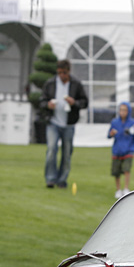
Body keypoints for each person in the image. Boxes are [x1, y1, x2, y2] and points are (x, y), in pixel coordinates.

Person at [40, 59, 89, 189]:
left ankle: (62, 180)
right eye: (60, 73)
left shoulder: (76, 84)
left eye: (65, 73)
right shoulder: (50, 84)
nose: (62, 75)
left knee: (67, 153)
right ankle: (50, 179)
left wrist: (74, 103)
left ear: (69, 71)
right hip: (53, 122)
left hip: (69, 124)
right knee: (51, 149)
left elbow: (84, 102)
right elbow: (41, 101)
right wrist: (48, 105)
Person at [108, 101, 134, 198]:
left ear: (128, 111)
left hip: (128, 150)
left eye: (125, 110)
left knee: (127, 169)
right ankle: (118, 190)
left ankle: (126, 188)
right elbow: (108, 135)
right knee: (116, 172)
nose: (122, 112)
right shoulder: (115, 122)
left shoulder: (133, 122)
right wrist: (111, 134)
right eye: (121, 110)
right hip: (117, 150)